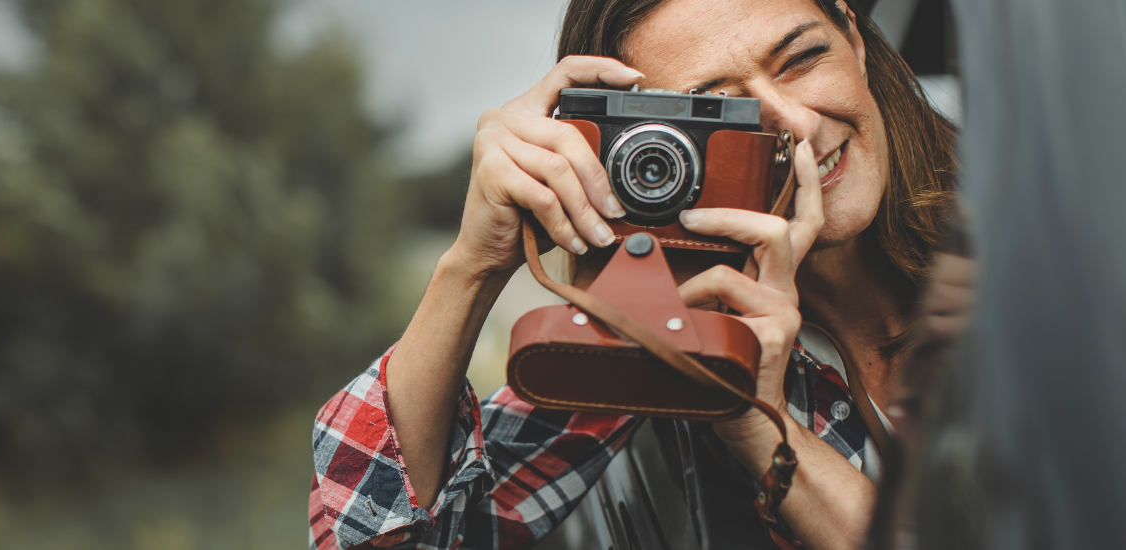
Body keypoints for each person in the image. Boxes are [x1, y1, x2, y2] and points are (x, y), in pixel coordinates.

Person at [309, 0, 956, 548]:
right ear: (650, 149)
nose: (795, 125)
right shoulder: (678, 323)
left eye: (801, 59)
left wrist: (763, 427)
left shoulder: (1032, 229)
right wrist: (472, 267)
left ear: (852, 34)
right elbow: (379, 531)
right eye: (720, 109)